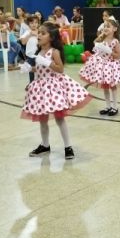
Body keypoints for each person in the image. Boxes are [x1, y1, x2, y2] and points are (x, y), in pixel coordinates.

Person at [21, 22, 91, 160]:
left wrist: (48, 62)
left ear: (51, 37)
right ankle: (45, 145)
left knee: (59, 118)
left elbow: (60, 69)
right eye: (39, 33)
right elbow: (40, 69)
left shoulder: (54, 52)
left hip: (53, 88)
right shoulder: (39, 52)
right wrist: (30, 69)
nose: (39, 35)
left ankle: (68, 146)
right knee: (42, 119)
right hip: (41, 88)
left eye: (43, 33)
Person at [79, 17, 120, 116]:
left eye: (108, 26)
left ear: (114, 29)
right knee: (105, 87)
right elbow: (95, 42)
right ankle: (108, 106)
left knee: (112, 86)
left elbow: (118, 56)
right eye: (104, 26)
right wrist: (101, 37)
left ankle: (115, 107)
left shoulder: (115, 41)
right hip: (102, 66)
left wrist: (109, 51)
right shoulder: (102, 39)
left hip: (111, 66)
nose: (105, 28)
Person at [20, 15, 40, 83]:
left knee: (39, 69)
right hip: (30, 55)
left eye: (36, 22)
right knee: (31, 69)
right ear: (28, 24)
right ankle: (31, 83)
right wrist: (30, 35)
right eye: (32, 23)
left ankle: (39, 83)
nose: (34, 24)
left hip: (39, 54)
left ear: (38, 23)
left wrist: (37, 35)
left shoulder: (40, 32)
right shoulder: (27, 32)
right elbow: (23, 42)